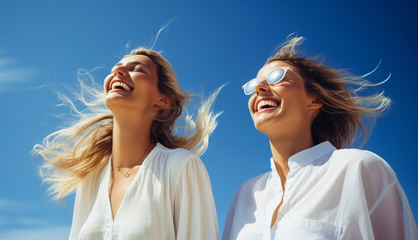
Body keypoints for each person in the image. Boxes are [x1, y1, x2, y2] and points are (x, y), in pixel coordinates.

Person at [223, 36, 418, 240]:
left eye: (276, 77)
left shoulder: (359, 168)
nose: (259, 88)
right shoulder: (245, 194)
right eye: (254, 84)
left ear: (314, 99)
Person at [35, 48, 220, 240]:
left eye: (138, 69)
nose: (118, 72)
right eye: (116, 68)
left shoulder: (181, 166)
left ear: (163, 100)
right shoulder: (91, 178)